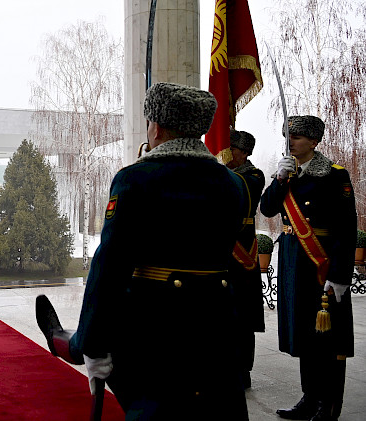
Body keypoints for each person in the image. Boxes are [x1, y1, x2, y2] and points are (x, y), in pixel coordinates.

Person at [39, 82, 250, 420]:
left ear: (157, 127)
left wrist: (92, 343)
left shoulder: (136, 179)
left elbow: (110, 267)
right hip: (217, 323)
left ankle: (69, 343)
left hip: (155, 327)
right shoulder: (234, 184)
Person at [260, 115, 355, 421]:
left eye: (297, 137)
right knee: (303, 333)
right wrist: (279, 179)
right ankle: (309, 398)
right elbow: (267, 208)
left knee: (327, 337)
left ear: (314, 141)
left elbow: (346, 228)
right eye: (288, 136)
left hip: (321, 262)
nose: (290, 142)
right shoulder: (287, 173)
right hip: (293, 263)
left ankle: (328, 405)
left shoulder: (334, 175)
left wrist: (339, 275)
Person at [226, 129, 266, 389]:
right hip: (219, 250)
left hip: (241, 252)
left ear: (242, 152)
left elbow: (239, 195)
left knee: (242, 315)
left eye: (230, 149)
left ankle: (242, 370)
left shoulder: (253, 176)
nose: (225, 154)